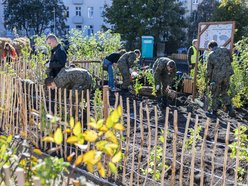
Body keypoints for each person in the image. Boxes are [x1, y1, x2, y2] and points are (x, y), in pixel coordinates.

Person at [206, 40, 235, 118]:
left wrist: (208, 80)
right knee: (224, 92)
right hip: (227, 75)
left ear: (210, 47)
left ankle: (214, 112)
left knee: (214, 94)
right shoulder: (225, 50)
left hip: (217, 77)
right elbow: (231, 60)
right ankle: (230, 109)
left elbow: (209, 70)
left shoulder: (211, 55)